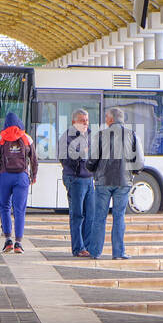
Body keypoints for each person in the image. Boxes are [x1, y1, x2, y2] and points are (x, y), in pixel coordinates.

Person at [87, 107, 141, 261]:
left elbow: (92, 160)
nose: (105, 119)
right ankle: (118, 252)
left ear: (111, 119)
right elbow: (140, 161)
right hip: (123, 182)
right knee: (119, 217)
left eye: (106, 117)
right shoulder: (132, 135)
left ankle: (95, 252)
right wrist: (132, 173)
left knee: (99, 217)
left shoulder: (101, 135)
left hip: (103, 182)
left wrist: (91, 169)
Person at [0, 110, 38, 254]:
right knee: (19, 210)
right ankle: (18, 243)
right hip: (22, 177)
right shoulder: (26, 138)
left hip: (4, 176)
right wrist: (33, 175)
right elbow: (34, 159)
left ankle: (7, 240)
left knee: (4, 207)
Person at [59, 109, 95, 258]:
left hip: (89, 179)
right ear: (74, 122)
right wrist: (81, 154)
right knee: (77, 215)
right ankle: (78, 248)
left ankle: (87, 246)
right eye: (82, 120)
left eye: (86, 120)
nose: (85, 123)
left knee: (90, 214)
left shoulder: (91, 135)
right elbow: (64, 159)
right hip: (75, 179)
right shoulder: (66, 137)